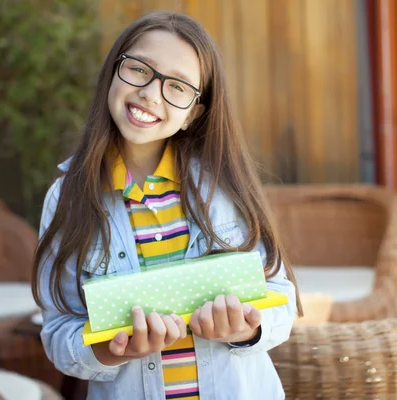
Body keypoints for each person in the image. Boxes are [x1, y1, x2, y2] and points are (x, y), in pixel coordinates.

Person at [32, 11, 302, 400]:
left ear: (194, 112)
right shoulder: (67, 198)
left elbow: (281, 301)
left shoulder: (225, 190)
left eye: (177, 87)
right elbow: (59, 335)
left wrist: (244, 328)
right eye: (140, 70)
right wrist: (113, 349)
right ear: (113, 71)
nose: (151, 93)